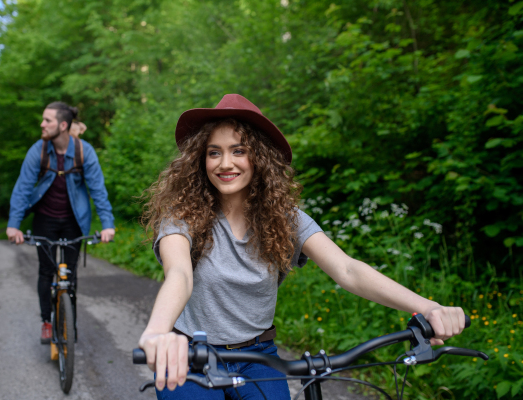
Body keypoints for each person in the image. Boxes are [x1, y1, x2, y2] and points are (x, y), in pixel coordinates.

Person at [138, 94, 466, 399]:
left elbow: (347, 269)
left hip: (258, 357)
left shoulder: (286, 219)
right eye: (214, 152)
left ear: (259, 157)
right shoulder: (182, 217)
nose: (226, 163)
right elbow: (179, 274)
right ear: (201, 159)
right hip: (192, 353)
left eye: (239, 150)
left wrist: (427, 307)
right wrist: (157, 333)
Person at [6, 101, 115, 344]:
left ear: (63, 125)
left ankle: (69, 323)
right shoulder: (39, 151)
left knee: (70, 275)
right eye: (43, 120)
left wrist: (107, 224)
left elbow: (98, 190)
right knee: (46, 271)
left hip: (74, 221)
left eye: (47, 120)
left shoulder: (84, 151)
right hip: (44, 219)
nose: (42, 124)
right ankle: (47, 321)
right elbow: (23, 188)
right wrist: (14, 224)